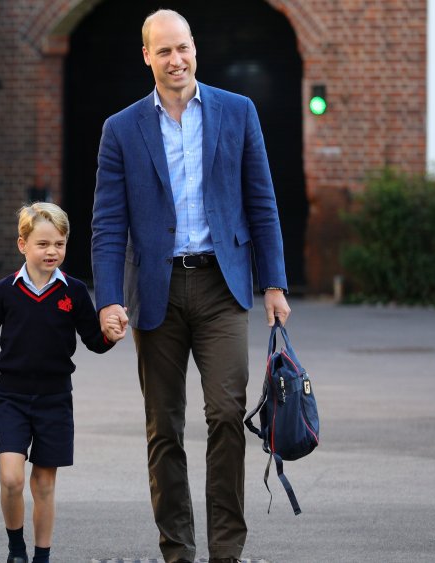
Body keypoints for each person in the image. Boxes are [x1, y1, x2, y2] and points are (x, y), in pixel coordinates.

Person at [90, 9, 292, 563]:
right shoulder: (121, 128)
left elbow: (262, 202)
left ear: (195, 49)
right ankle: (177, 548)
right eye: (164, 51)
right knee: (164, 428)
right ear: (147, 57)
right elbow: (108, 224)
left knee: (227, 413)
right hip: (154, 291)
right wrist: (108, 297)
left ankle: (227, 549)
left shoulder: (237, 111)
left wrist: (272, 282)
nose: (176, 60)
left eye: (183, 48)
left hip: (221, 287)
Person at [0, 202, 125, 563]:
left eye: (59, 244)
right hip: (12, 399)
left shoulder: (74, 292)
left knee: (44, 485)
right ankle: (16, 549)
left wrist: (111, 335)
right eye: (43, 244)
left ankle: (42, 556)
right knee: (12, 479)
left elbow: (94, 341)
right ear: (23, 245)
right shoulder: (5, 291)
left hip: (55, 400)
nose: (52, 251)